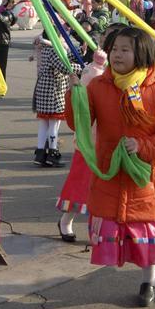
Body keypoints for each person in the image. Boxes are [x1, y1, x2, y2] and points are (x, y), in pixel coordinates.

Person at [65, 26, 155, 306]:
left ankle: (149, 282)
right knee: (113, 228)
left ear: (141, 53)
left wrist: (143, 147)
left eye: (125, 50)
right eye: (114, 49)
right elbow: (78, 124)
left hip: (144, 176)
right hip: (110, 172)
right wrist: (76, 96)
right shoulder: (98, 86)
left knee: (148, 233)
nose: (117, 55)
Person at [55, 47, 107, 242]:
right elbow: (80, 106)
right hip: (89, 141)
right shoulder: (92, 72)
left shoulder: (123, 74)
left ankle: (98, 230)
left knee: (103, 189)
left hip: (110, 142)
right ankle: (66, 220)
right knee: (81, 185)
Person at [32, 29, 82, 168]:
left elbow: (65, 57)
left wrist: (79, 52)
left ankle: (40, 153)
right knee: (54, 124)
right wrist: (82, 68)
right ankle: (53, 152)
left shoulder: (45, 49)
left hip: (44, 90)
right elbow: (64, 66)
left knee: (44, 123)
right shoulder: (53, 50)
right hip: (53, 91)